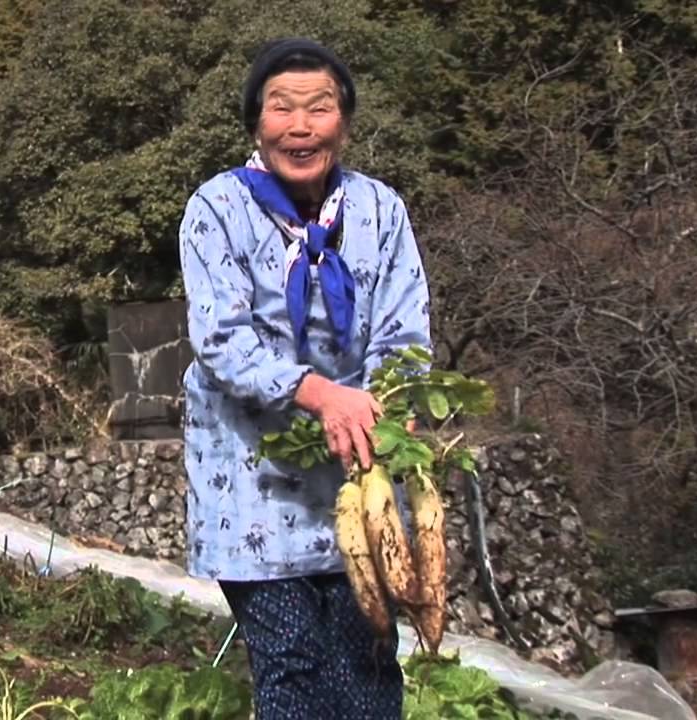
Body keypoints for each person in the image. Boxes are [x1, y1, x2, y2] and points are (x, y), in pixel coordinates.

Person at [178, 37, 432, 720]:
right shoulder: (217, 209)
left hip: (358, 476)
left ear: (344, 122)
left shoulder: (379, 210)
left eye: (318, 108)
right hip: (253, 477)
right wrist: (319, 393)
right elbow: (221, 341)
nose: (300, 126)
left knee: (369, 658)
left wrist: (393, 406)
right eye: (281, 108)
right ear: (256, 124)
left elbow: (404, 333)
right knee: (292, 662)